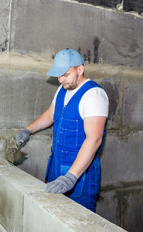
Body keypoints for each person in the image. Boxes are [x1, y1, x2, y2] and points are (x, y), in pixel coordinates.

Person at [16, 48, 109, 212]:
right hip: (56, 167)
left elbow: (94, 139)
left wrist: (71, 177)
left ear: (80, 69)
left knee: (79, 226)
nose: (61, 79)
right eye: (58, 75)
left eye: (65, 74)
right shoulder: (63, 89)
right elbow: (51, 114)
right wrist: (28, 130)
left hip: (80, 176)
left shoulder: (94, 95)